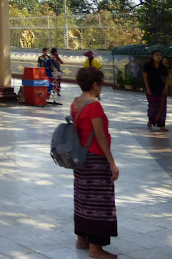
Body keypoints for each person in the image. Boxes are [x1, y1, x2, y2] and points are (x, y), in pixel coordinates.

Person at [71, 67, 119, 259]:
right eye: (101, 85)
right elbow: (100, 136)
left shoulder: (75, 103)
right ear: (94, 85)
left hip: (80, 159)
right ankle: (96, 248)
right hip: (96, 159)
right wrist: (112, 163)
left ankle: (81, 239)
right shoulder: (94, 106)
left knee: (83, 198)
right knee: (100, 202)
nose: (102, 89)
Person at [143, 50, 169, 131]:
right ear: (153, 56)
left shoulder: (163, 66)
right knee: (152, 106)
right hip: (151, 88)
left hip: (160, 89)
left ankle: (162, 125)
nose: (158, 57)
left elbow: (166, 77)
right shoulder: (148, 65)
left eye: (160, 55)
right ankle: (151, 120)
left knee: (162, 106)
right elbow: (145, 77)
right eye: (157, 55)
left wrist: (166, 86)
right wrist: (147, 88)